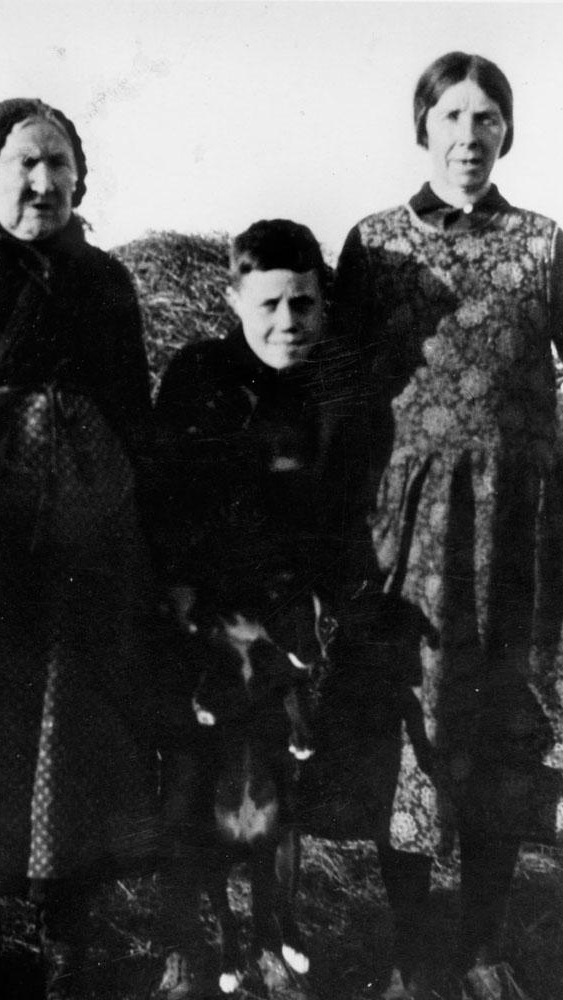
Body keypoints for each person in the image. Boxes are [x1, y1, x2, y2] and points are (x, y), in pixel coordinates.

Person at [0, 98, 159, 1000]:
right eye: (25, 162)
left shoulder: (103, 281)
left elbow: (132, 409)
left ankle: (67, 947)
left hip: (80, 532)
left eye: (60, 164)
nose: (43, 182)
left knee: (69, 718)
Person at [332, 51, 563, 1000]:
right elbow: (339, 387)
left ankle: (481, 949)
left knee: (505, 722)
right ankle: (407, 955)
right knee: (411, 730)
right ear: (422, 126)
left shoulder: (543, 243)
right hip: (412, 532)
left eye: (486, 118)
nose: (469, 136)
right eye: (452, 117)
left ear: (507, 130)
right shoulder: (376, 244)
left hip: (518, 531)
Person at [151, 219, 363, 998]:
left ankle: (277, 933)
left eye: (302, 304)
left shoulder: (330, 389)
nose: (286, 322)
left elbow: (340, 505)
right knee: (190, 784)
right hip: (201, 611)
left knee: (279, 783)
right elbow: (161, 489)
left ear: (321, 303)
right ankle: (185, 943)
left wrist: (316, 599)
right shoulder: (198, 372)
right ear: (234, 295)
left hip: (283, 614)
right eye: (268, 303)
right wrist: (179, 591)